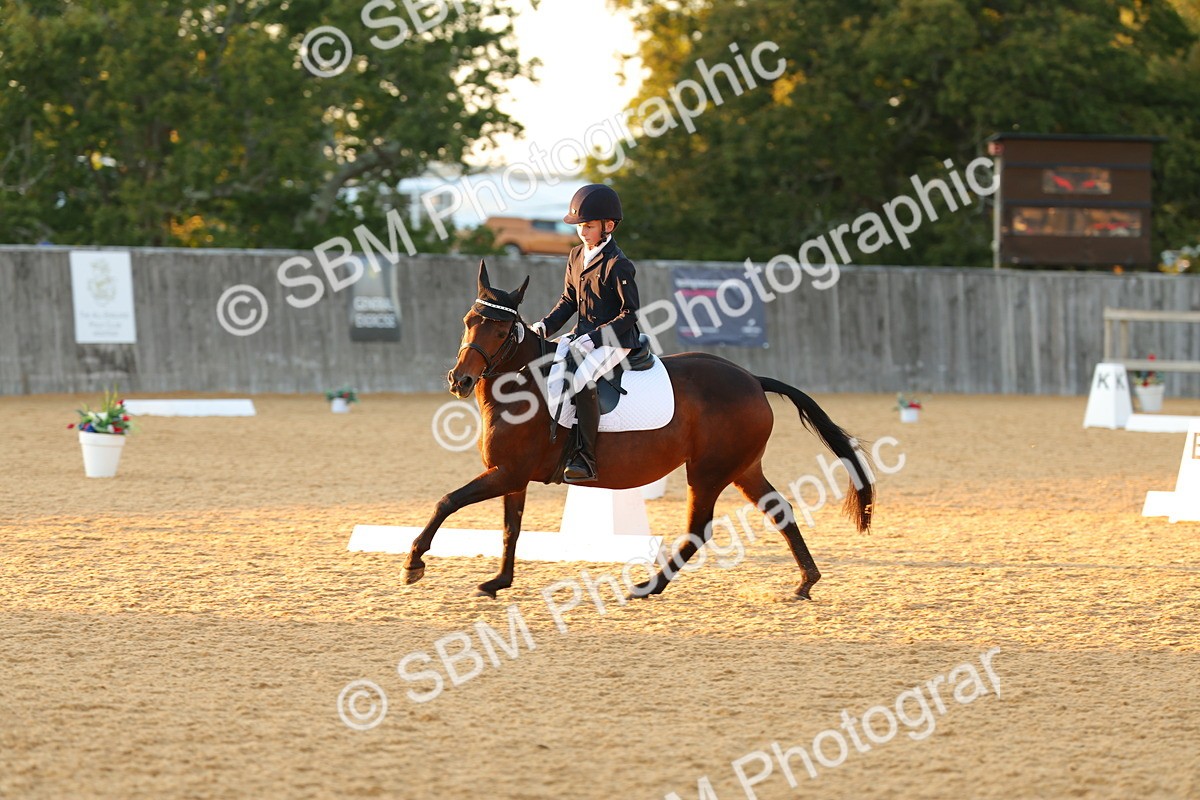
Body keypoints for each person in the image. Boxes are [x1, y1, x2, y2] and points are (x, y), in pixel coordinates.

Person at [529, 184, 641, 483]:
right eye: (580, 226)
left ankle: (586, 458)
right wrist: (545, 326)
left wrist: (597, 337)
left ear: (609, 225)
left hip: (615, 340)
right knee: (547, 372)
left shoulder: (619, 264)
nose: (582, 232)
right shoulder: (577, 255)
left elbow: (630, 313)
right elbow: (568, 300)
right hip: (582, 335)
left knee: (581, 381)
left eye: (588, 226)